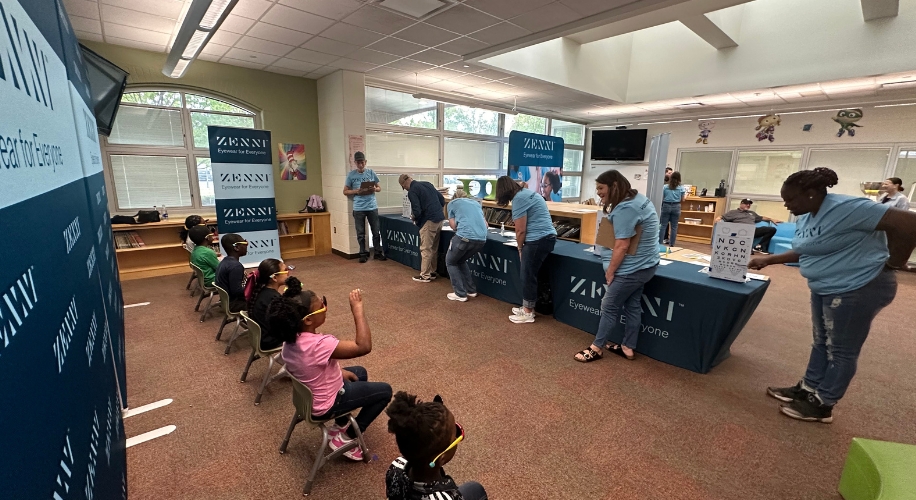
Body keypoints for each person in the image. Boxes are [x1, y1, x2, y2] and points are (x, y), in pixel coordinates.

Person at [750, 167, 916, 423]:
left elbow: (908, 223)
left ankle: (824, 402)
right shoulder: (807, 214)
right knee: (821, 341)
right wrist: (769, 259)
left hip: (856, 288)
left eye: (791, 199)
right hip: (825, 286)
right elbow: (809, 248)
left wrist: (894, 262)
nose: (786, 205)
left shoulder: (849, 208)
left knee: (841, 350)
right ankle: (809, 388)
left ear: (813, 193)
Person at [269, 284, 392, 459]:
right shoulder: (320, 344)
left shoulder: (289, 341)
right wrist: (357, 309)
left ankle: (340, 424)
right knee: (385, 391)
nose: (325, 308)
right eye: (322, 306)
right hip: (326, 403)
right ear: (308, 320)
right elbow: (363, 346)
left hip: (310, 396)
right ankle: (347, 438)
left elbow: (310, 368)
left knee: (360, 372)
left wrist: (339, 372)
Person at [574, 170, 660, 362]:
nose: (598, 192)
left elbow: (622, 245)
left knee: (609, 306)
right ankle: (628, 347)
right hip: (646, 265)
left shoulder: (625, 209)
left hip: (631, 269)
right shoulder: (638, 198)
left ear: (614, 186)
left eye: (601, 188)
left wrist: (611, 272)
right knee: (632, 305)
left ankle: (597, 347)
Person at [385, 392, 487, 500]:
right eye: (457, 434)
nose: (459, 435)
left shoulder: (396, 466)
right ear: (441, 458)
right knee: (477, 489)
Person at [495, 176, 557, 324]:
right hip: (546, 238)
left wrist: (520, 248)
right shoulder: (528, 193)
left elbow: (520, 231)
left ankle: (528, 312)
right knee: (530, 273)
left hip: (537, 240)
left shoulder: (519, 199)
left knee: (527, 274)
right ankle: (527, 306)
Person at [399, 174, 446, 283]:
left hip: (428, 221)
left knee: (425, 249)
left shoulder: (412, 191)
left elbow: (417, 210)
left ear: (404, 184)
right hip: (439, 219)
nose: (405, 189)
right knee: (434, 248)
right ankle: (432, 271)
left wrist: (415, 218)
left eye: (404, 187)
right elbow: (442, 200)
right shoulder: (427, 184)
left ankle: (425, 275)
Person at [444, 188, 488, 302]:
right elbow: (486, 224)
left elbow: (453, 226)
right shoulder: (476, 203)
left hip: (464, 238)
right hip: (481, 240)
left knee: (450, 262)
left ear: (454, 197)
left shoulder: (452, 204)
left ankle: (460, 293)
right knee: (460, 261)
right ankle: (471, 290)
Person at [344, 151, 385, 263]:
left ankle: (377, 252)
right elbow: (345, 191)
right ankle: (363, 253)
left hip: (372, 206)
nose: (360, 165)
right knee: (360, 233)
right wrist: (356, 191)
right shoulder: (351, 175)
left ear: (365, 162)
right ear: (355, 163)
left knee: (376, 231)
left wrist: (374, 189)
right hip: (359, 208)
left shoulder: (371, 172)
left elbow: (379, 188)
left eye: (362, 162)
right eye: (358, 163)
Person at [246, 258, 291, 350]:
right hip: (270, 341)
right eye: (285, 271)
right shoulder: (273, 298)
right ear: (274, 278)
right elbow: (286, 324)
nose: (288, 273)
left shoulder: (260, 291)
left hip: (262, 337)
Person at [716, 199, 782, 254]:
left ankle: (759, 247)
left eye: (749, 204)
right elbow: (723, 217)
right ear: (741, 204)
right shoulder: (733, 212)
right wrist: (718, 218)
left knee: (771, 229)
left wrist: (771, 219)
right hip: (740, 231)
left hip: (753, 230)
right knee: (748, 252)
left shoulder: (751, 213)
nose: (748, 205)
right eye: (746, 204)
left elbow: (761, 217)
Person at [215, 233, 248, 312]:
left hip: (227, 301)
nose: (247, 246)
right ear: (236, 247)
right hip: (234, 304)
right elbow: (237, 291)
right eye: (245, 243)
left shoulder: (225, 261)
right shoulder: (236, 266)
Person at [658, 171, 686, 246]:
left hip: (666, 205)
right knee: (674, 226)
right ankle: (672, 244)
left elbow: (662, 197)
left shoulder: (665, 187)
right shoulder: (681, 188)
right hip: (676, 206)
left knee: (663, 225)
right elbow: (683, 199)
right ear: (679, 178)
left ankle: (660, 243)